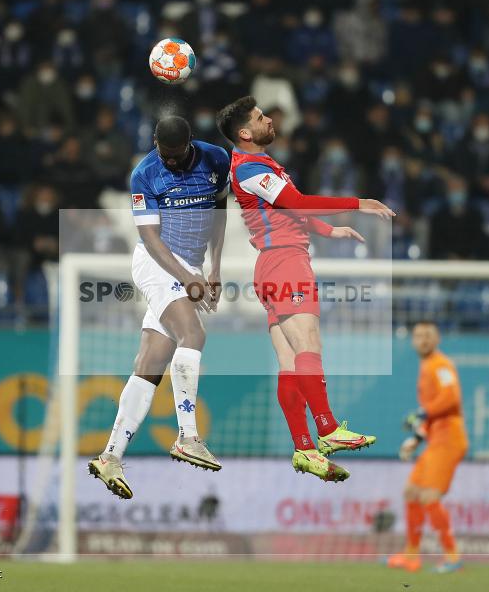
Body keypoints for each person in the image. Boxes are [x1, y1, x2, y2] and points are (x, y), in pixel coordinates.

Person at [215, 96, 394, 482]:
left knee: (290, 363)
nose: (269, 121)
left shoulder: (253, 165)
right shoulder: (250, 168)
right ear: (245, 133)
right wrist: (358, 204)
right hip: (285, 263)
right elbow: (295, 202)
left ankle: (304, 448)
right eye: (261, 118)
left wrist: (330, 230)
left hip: (271, 264)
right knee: (309, 346)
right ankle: (328, 430)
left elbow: (286, 210)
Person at [88, 116, 230, 499]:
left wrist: (213, 269)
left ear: (190, 145)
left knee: (149, 364)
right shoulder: (145, 174)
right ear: (155, 143)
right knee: (193, 334)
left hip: (192, 265)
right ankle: (188, 436)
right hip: (157, 263)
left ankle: (110, 456)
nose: (170, 161)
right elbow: (150, 238)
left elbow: (219, 216)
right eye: (164, 154)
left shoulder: (216, 159)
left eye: (177, 155)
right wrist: (188, 279)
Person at [387, 322, 468, 574]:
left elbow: (451, 397)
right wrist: (417, 438)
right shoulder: (426, 367)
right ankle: (411, 555)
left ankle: (452, 555)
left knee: (428, 496)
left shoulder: (440, 365)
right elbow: (434, 414)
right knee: (411, 492)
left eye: (427, 335)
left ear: (437, 339)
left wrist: (422, 412)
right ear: (412, 341)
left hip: (449, 440)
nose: (422, 340)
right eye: (418, 335)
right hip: (436, 439)